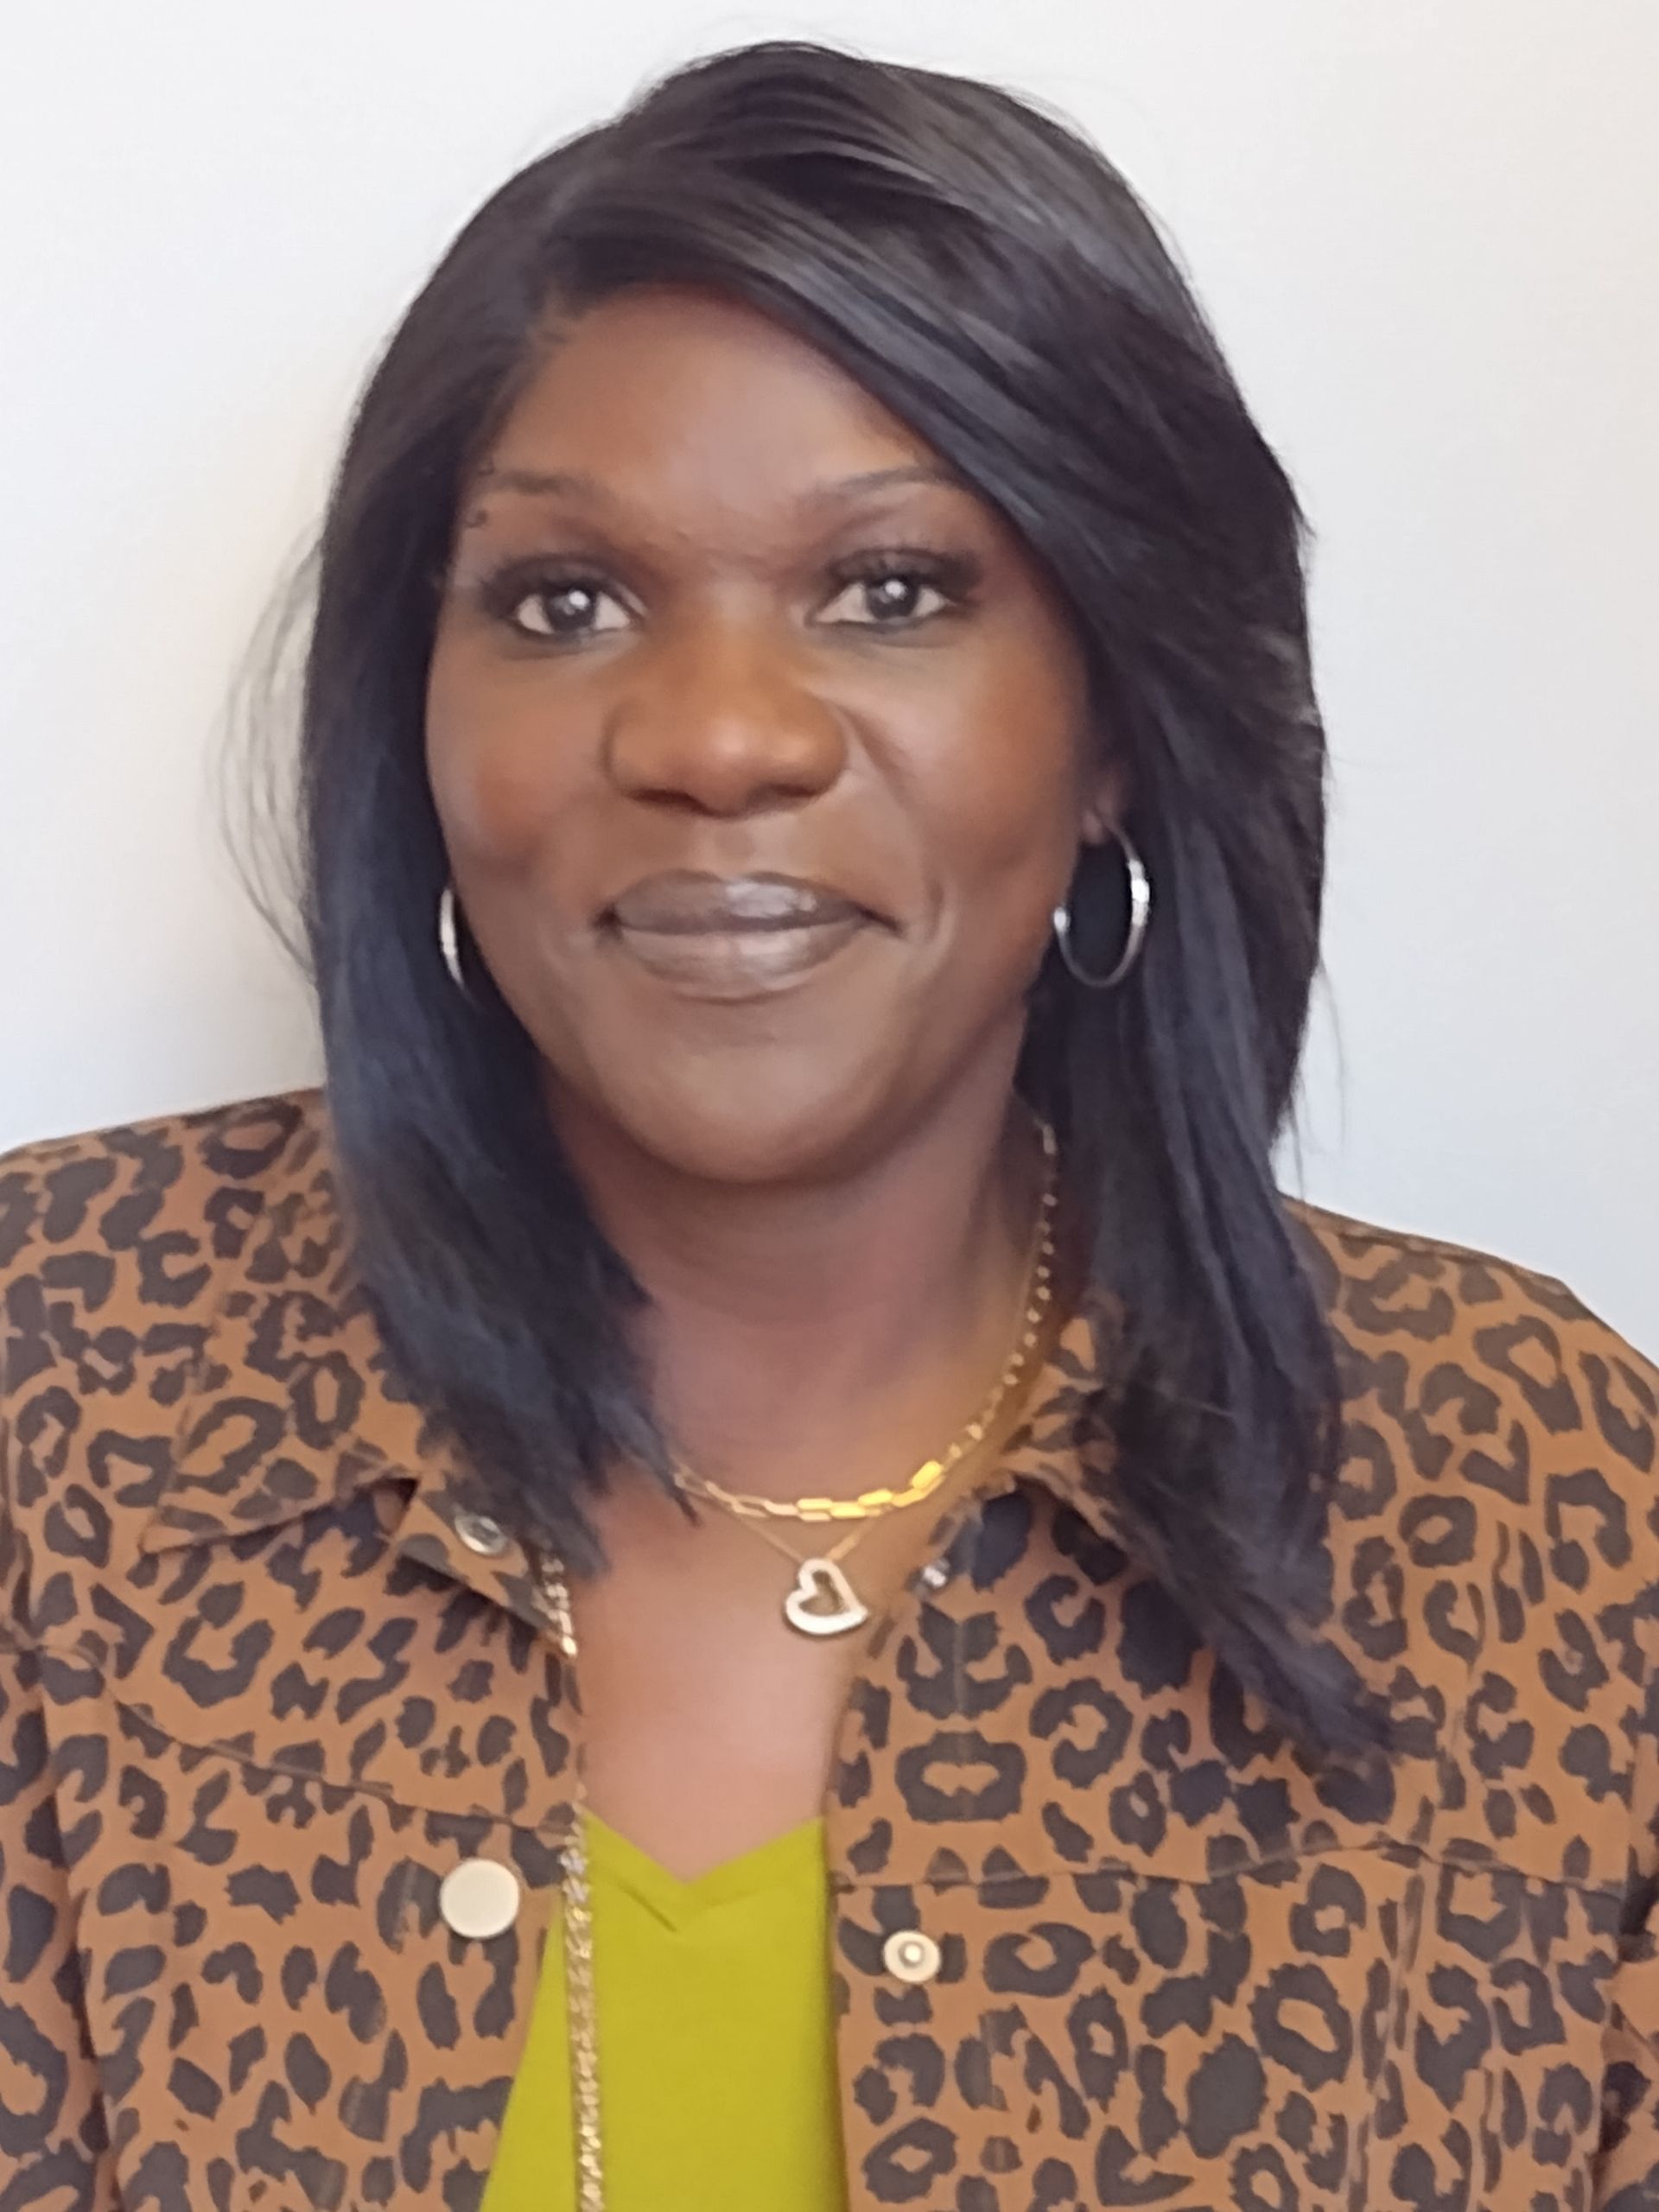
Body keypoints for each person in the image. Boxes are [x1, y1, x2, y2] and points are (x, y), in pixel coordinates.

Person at [2, 35, 1656, 2212]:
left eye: (892, 590)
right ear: (420, 722)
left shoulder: (1541, 1494)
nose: (716, 738)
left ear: (1119, 725)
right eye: (565, 600)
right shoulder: (53, 1393)